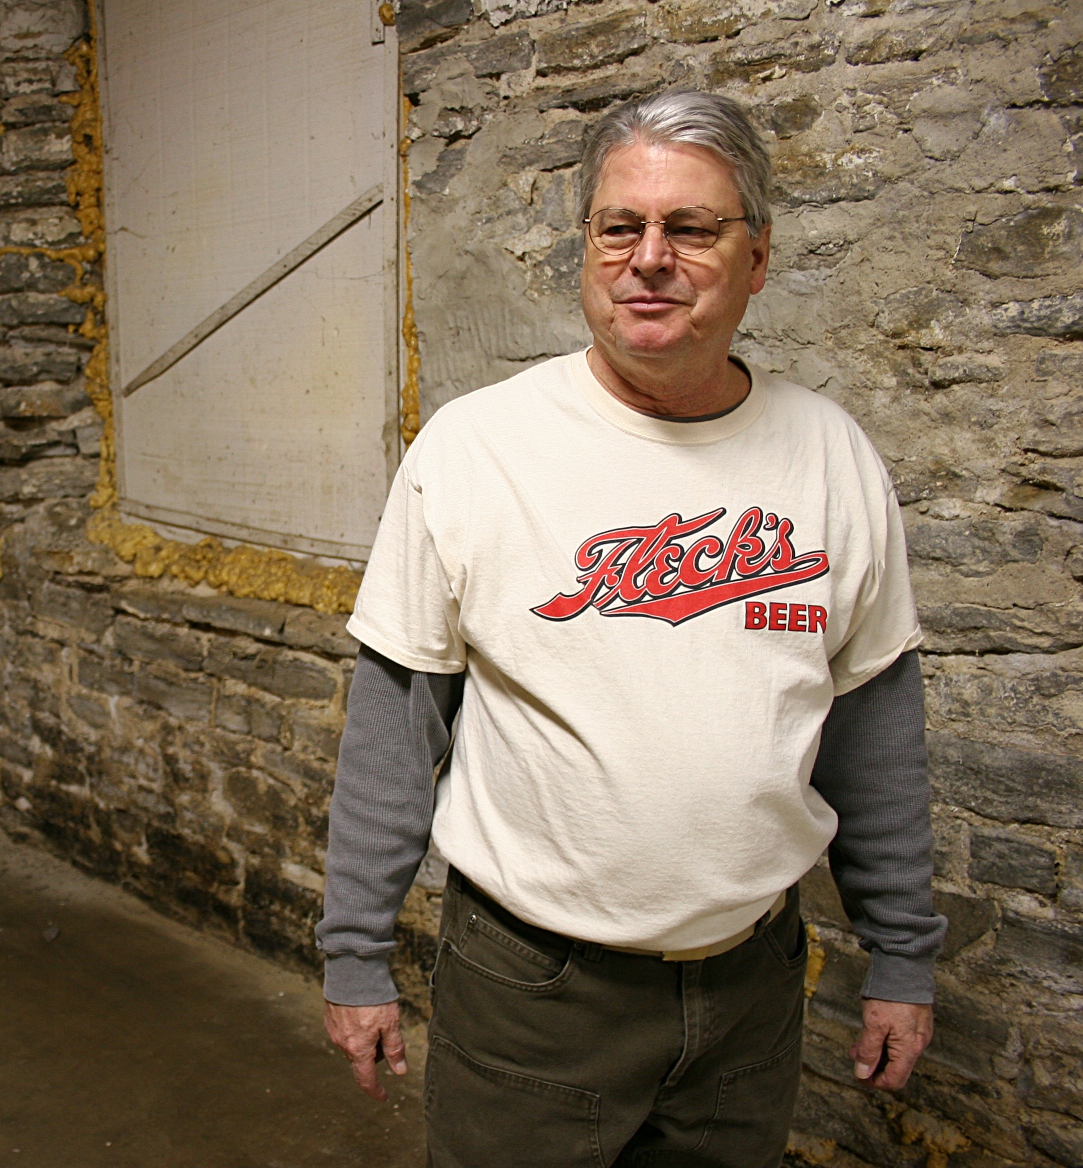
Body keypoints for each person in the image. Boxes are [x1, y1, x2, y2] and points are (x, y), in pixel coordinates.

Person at [317, 90, 946, 1167]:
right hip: (534, 992)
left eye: (691, 229)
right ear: (587, 252)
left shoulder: (830, 455)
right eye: (620, 227)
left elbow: (874, 732)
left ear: (755, 259)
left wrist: (903, 958)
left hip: (752, 989)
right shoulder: (478, 450)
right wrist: (355, 955)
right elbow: (397, 724)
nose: (649, 258)